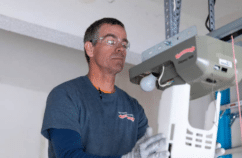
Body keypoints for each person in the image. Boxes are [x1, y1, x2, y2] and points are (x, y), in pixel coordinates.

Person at [41, 18, 170, 158]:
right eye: (111, 41)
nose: (120, 48)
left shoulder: (134, 108)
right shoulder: (65, 95)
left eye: (124, 44)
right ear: (90, 48)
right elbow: (69, 155)